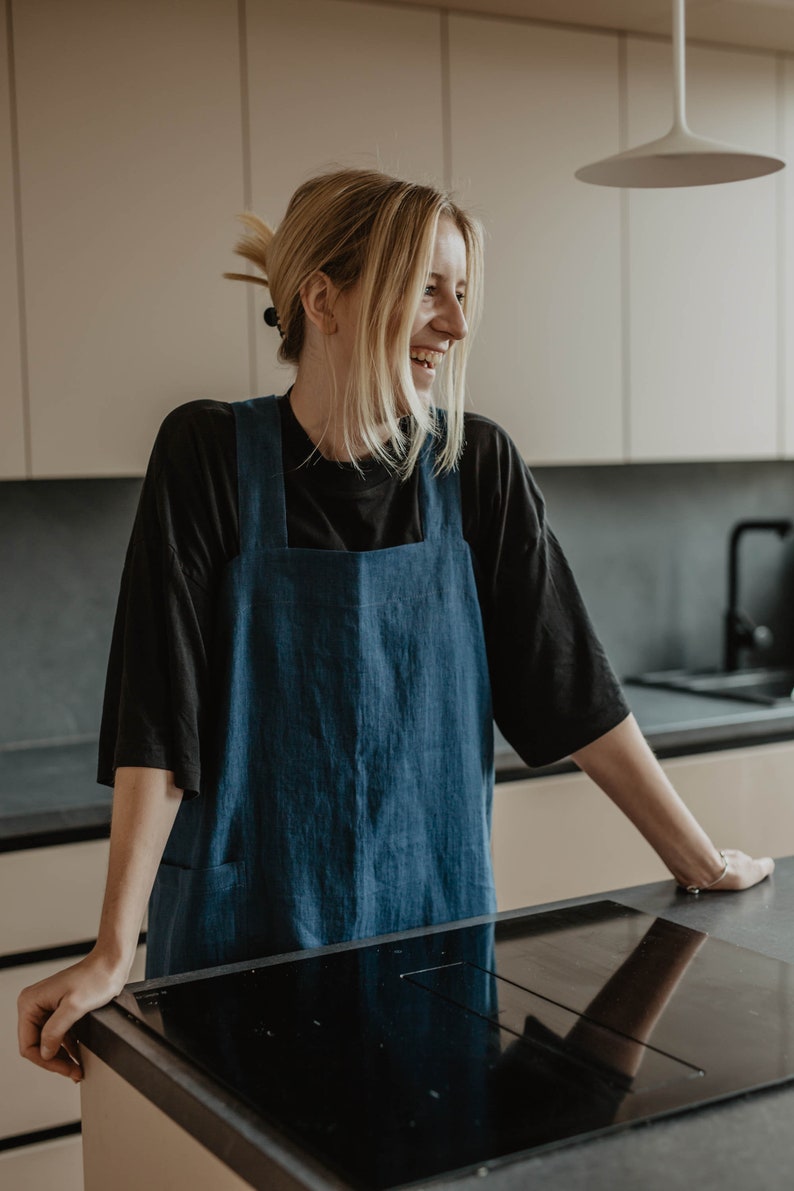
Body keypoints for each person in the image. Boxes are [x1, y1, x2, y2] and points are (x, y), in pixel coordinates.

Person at [18, 168, 773, 1084]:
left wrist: (698, 860)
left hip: (436, 942)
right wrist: (110, 949)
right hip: (237, 948)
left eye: (462, 294)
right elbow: (157, 719)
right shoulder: (206, 455)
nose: (455, 325)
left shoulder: (476, 467)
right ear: (322, 299)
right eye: (428, 290)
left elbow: (572, 690)